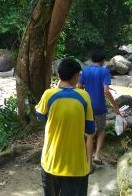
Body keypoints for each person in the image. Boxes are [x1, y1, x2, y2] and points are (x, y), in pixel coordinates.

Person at [36, 58, 95, 196]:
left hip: (51, 162)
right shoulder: (84, 96)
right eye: (79, 75)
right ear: (75, 76)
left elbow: (40, 115)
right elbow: (90, 129)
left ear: (59, 75)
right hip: (76, 165)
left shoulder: (48, 94)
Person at [77, 50, 120, 166]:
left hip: (87, 106)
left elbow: (79, 88)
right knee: (101, 130)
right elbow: (106, 90)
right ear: (102, 61)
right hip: (100, 106)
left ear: (92, 60)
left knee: (90, 133)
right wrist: (115, 108)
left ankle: (88, 163)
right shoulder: (104, 71)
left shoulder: (85, 71)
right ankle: (96, 155)